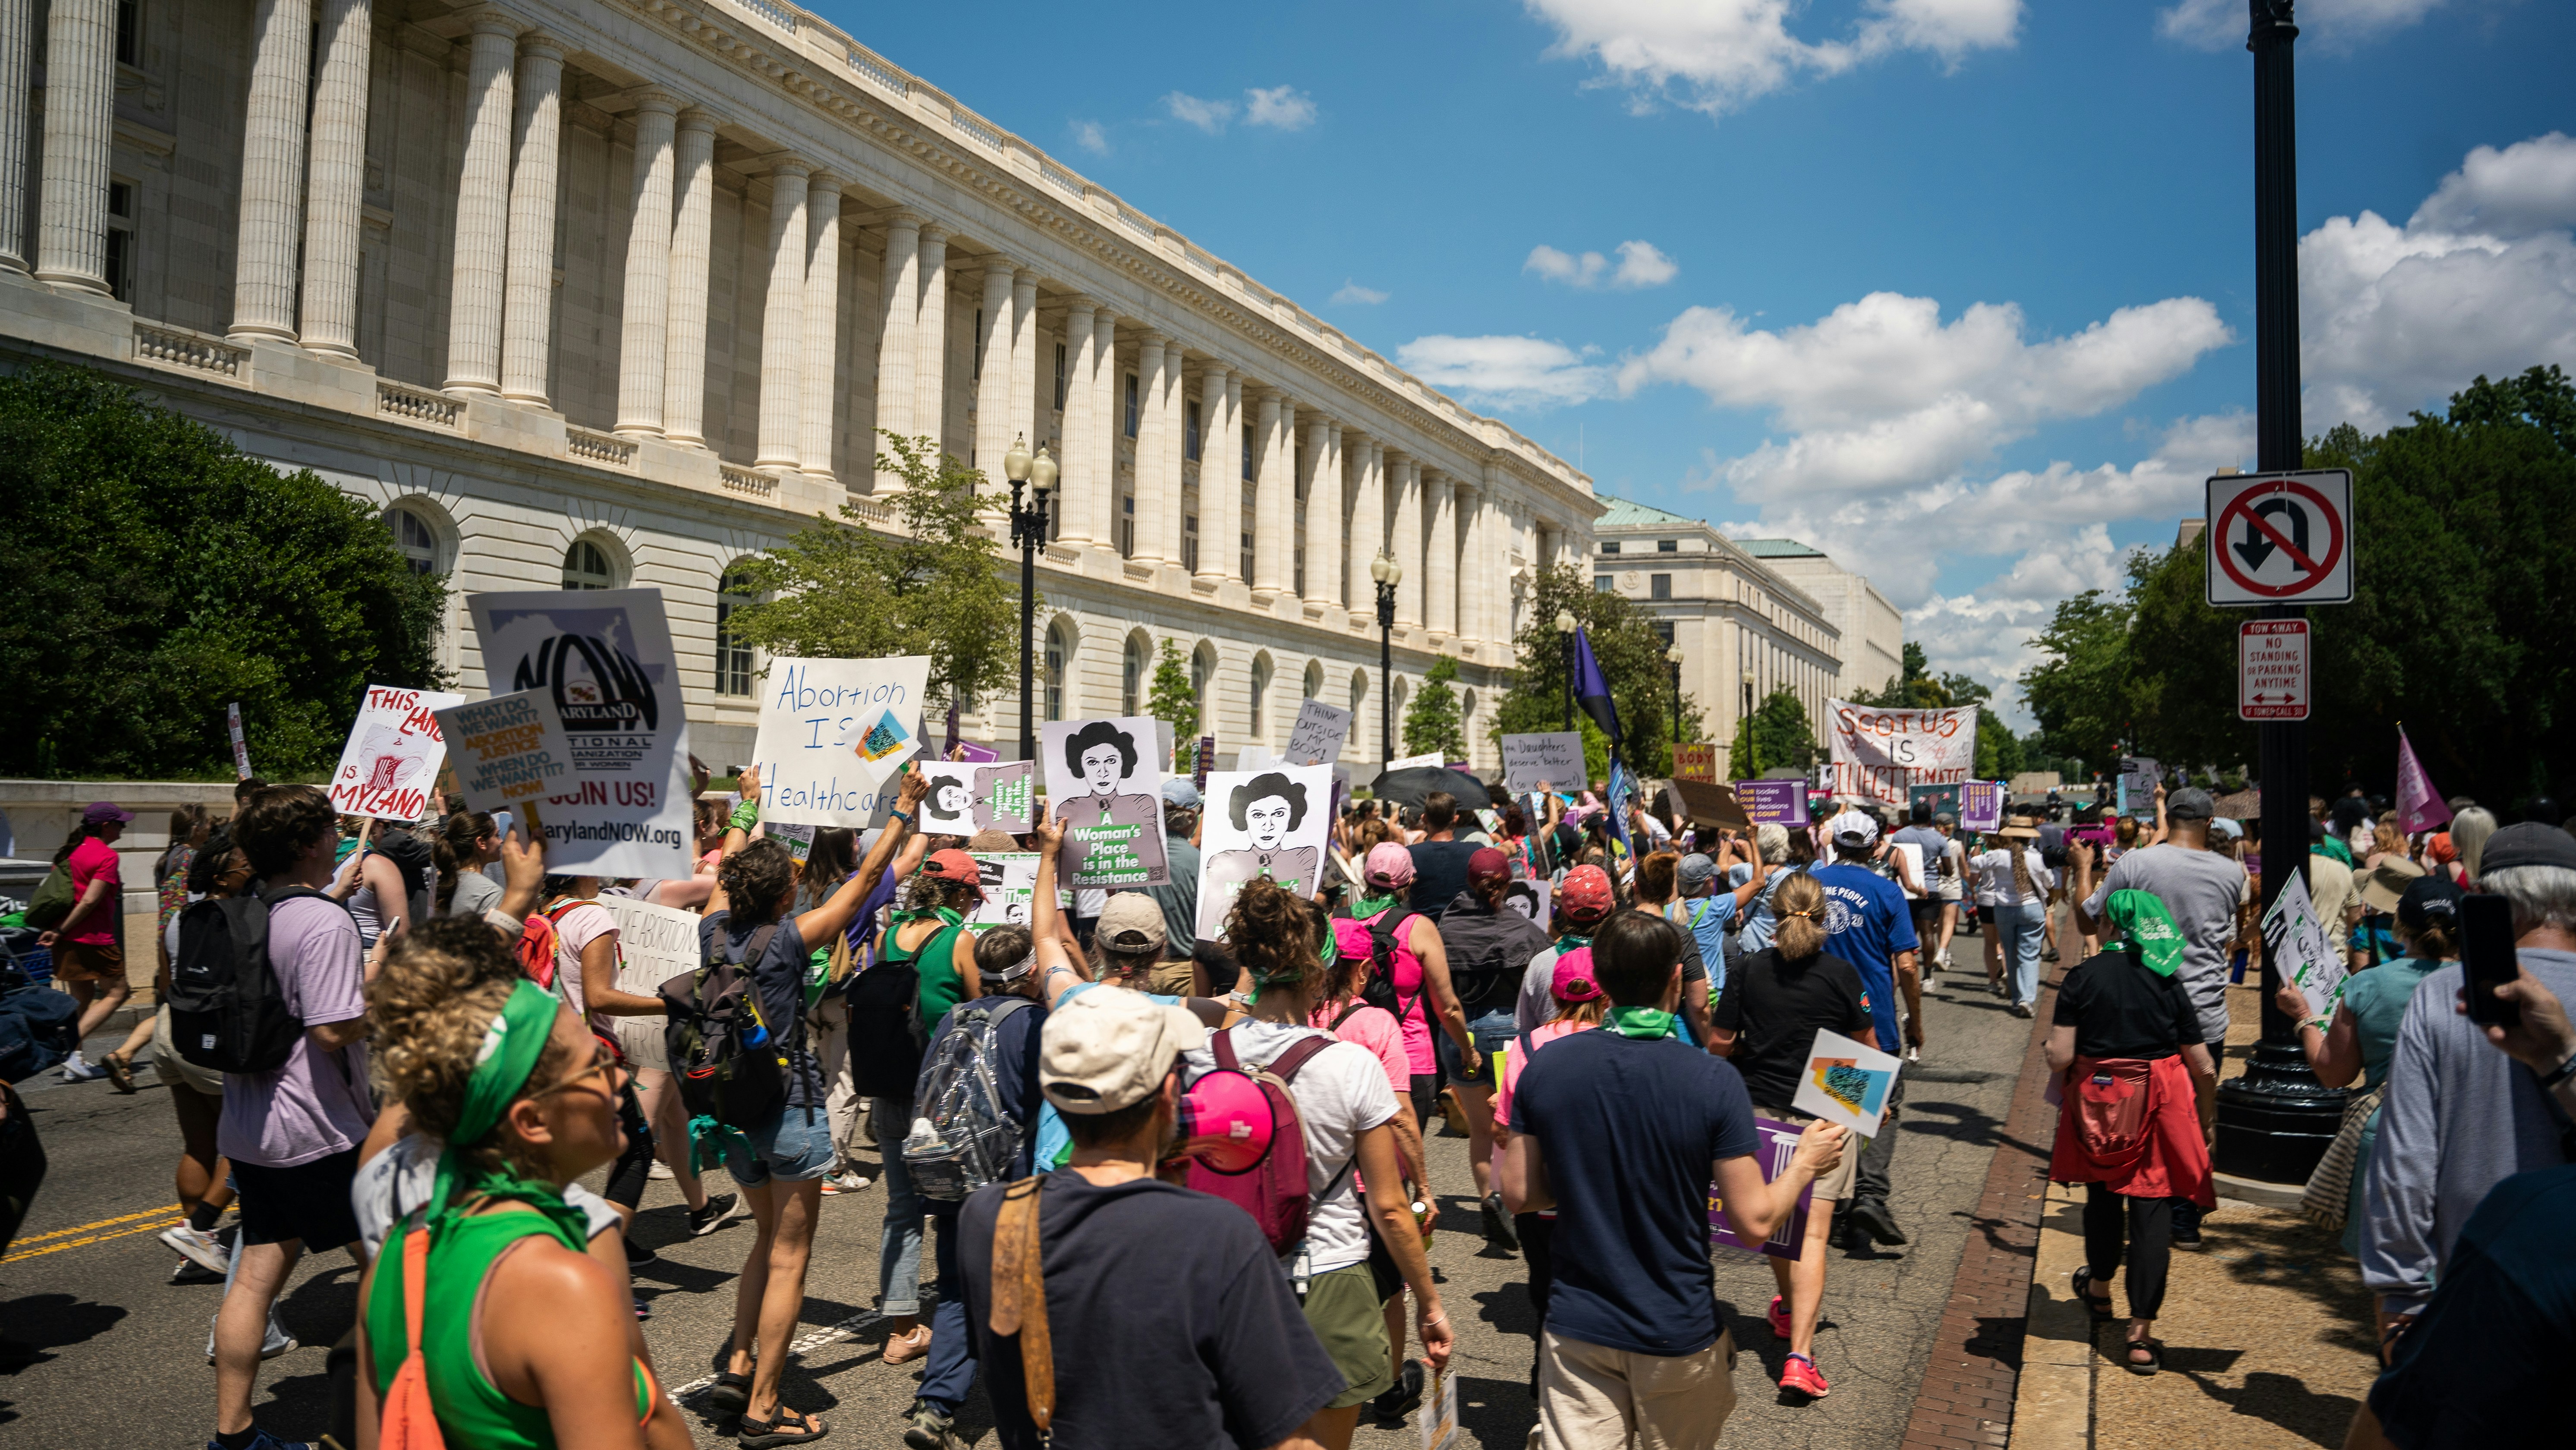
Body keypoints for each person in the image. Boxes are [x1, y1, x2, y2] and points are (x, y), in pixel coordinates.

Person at [1503, 910, 1846, 1445]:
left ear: (1601, 975)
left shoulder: (1545, 1066)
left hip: (1577, 1325)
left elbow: (1521, 1195)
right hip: (1675, 1327)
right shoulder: (1712, 1081)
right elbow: (1754, 1222)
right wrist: (1804, 1162)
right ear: (1673, 980)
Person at [957, 988, 1348, 1450]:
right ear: (1168, 1094)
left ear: (1052, 1092)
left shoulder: (987, 1218)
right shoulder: (1221, 1236)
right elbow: (1291, 1443)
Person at [352, 968, 686, 1450]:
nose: (619, 1077)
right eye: (595, 1064)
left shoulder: (397, 1255)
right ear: (532, 1121)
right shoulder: (563, 1286)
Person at [701, 767, 928, 1443]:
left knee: (764, 1242)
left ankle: (738, 1365)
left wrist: (747, 806)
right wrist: (902, 809)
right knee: (790, 1257)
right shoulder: (791, 939)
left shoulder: (711, 929)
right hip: (791, 1109)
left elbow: (730, 861)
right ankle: (765, 1406)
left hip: (732, 1113)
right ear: (785, 895)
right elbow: (866, 879)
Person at [1190, 876, 1455, 1444]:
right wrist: (1429, 1305)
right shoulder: (1351, 1066)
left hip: (1226, 1278)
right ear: (1317, 971)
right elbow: (1386, 1207)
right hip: (1327, 1277)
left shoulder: (1198, 1061)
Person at [2360, 823, 2576, 1361]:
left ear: (2483, 902)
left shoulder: (2442, 996)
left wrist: (2401, 1298)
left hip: (2476, 1297)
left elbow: (2406, 1162)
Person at [212, 785, 377, 1450]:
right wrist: (383, 995)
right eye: (333, 831)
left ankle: (234, 1436)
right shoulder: (325, 923)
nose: (340, 838)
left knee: (254, 1278)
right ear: (312, 843)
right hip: (320, 1130)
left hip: (250, 1131)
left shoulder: (240, 911)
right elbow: (336, 1030)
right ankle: (370, 1414)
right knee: (394, 1271)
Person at [1709, 871, 1874, 1397]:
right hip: (1824, 1109)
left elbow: (1719, 1042)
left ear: (1772, 916)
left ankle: (1785, 1311)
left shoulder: (1750, 968)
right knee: (1813, 1237)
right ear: (1823, 918)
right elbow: (1865, 1047)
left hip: (1758, 1110)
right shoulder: (1841, 974)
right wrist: (1870, 1108)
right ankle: (1800, 1357)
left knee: (1782, 1228)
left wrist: (1740, 1049)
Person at [2045, 890, 2219, 1375]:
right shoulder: (2168, 979)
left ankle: (2099, 1292)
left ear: (2111, 925)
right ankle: (2140, 1335)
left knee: (2102, 1196)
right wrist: (2206, 1118)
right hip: (2160, 1104)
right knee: (2152, 1209)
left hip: (2101, 1106)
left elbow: (2059, 1056)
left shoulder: (2082, 977)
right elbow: (2202, 1065)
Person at [2069, 786, 2250, 1247]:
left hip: (2140, 1011)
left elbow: (2090, 920)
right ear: (2209, 824)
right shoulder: (2233, 874)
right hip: (2204, 1013)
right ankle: (2184, 1219)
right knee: (2191, 1119)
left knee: (2131, 1113)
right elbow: (2231, 931)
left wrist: (2083, 871)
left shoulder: (2135, 864)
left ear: (2169, 820)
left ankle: (2135, 1204)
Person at [903, 925, 1049, 1450]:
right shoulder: (1034, 1024)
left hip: (950, 1174)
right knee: (1027, 1294)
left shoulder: (952, 1018)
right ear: (1032, 971)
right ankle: (1038, 1407)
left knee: (956, 1290)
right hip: (1009, 1180)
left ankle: (934, 1408)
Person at [2277, 876, 2460, 1257]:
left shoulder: (2367, 985)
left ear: (2400, 926)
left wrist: (2303, 1019)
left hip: (2390, 1132)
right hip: (2468, 1132)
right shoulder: (2490, 985)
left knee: (2392, 1278)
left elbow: (2333, 1073)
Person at [1490, 947, 1608, 1393]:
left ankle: (1546, 1379)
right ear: (1606, 995)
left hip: (1536, 1197)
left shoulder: (1524, 1047)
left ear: (1552, 993)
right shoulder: (1616, 1046)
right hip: (1595, 1197)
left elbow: (1503, 1133)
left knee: (1545, 1290)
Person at [1808, 809, 1922, 1249]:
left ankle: (1837, 1205)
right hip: (1872, 1019)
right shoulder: (1886, 892)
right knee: (1880, 1109)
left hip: (1821, 1015)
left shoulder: (1811, 884)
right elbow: (1907, 966)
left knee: (1840, 1108)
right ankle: (1870, 1196)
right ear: (1876, 847)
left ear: (1834, 842)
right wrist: (1915, 1019)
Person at [1430, 846, 1550, 1250]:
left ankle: (1489, 1203)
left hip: (1457, 1034)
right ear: (1508, 884)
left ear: (1468, 881)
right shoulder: (1522, 928)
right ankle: (1514, 1207)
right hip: (1505, 1033)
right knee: (1512, 1128)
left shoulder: (1445, 926)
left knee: (1481, 1129)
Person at [147, 831, 249, 1283]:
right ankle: (200, 1231)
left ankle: (194, 1253)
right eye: (244, 866)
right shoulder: (236, 916)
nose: (252, 871)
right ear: (223, 877)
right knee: (245, 1140)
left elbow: (165, 981)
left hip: (172, 1030)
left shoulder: (180, 917)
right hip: (211, 1038)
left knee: (198, 1146)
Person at [1335, 844, 1471, 1135]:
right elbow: (1446, 1007)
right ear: (1409, 882)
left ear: (1364, 877)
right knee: (1400, 1170)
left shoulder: (1335, 921)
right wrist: (1467, 1049)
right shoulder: (1418, 928)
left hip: (1341, 1054)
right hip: (1409, 1061)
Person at [38, 801, 134, 1084]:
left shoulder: (69, 853)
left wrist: (59, 931)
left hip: (67, 940)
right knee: (118, 992)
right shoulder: (106, 855)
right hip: (94, 938)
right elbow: (90, 900)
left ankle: (75, 1062)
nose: (123, 827)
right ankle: (69, 1048)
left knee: (81, 999)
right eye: (120, 823)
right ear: (106, 826)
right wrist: (62, 930)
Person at [1202, 772, 1325, 940]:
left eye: (1279, 814)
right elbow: (1212, 923)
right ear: (1244, 817)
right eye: (1258, 815)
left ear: (1292, 816)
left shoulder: (1305, 857)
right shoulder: (1222, 861)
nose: (1268, 826)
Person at [1051, 719, 1168, 885]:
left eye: (1111, 761)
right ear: (1080, 765)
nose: (1103, 772)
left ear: (1123, 763)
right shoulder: (1068, 809)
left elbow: (1154, 864)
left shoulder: (1143, 805)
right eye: (1092, 763)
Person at [1515, 864, 1617, 1033]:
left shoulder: (1539, 965)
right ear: (1612, 908)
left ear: (1562, 913)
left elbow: (1526, 1031)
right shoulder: (1626, 963)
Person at [1972, 822, 2056, 1017]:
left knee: (2010, 953)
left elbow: (1975, 863)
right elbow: (2050, 882)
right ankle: (2027, 999)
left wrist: (1978, 840)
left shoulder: (1999, 855)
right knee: (2030, 955)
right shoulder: (2037, 858)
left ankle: (2017, 999)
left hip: (2004, 910)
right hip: (2032, 909)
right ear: (2029, 837)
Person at [1135, 779, 1204, 995]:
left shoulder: (1132, 856)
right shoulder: (1201, 862)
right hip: (1185, 974)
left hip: (1141, 971)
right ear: (1192, 817)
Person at [1405, 791, 1484, 922]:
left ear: (1424, 819)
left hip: (1424, 934)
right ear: (1455, 819)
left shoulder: (1409, 854)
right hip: (1467, 931)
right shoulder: (1476, 851)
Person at [1892, 802, 1950, 974]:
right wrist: (1937, 868)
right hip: (1930, 889)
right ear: (1930, 818)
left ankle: (1902, 970)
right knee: (1928, 933)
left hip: (1904, 890)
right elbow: (1948, 869)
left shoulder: (1899, 836)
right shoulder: (1939, 838)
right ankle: (1927, 977)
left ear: (1912, 817)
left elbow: (1894, 863)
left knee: (1905, 934)